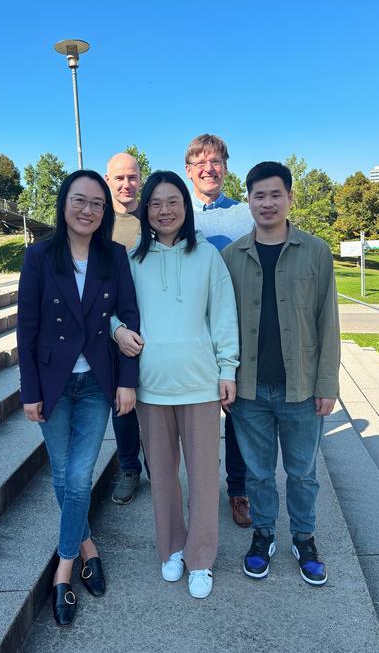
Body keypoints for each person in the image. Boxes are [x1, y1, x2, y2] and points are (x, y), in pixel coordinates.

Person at [17, 169, 139, 626]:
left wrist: (127, 381)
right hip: (52, 384)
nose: (88, 210)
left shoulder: (115, 256)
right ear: (64, 204)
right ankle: (87, 545)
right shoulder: (39, 257)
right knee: (66, 475)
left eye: (96, 203)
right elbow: (26, 328)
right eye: (79, 200)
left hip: (95, 385)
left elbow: (128, 316)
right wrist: (30, 390)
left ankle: (63, 570)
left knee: (79, 475)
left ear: (105, 211)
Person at [115, 170, 239, 599]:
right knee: (163, 476)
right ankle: (171, 549)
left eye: (173, 202)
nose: (164, 210)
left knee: (205, 477)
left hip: (200, 384)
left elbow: (223, 317)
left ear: (185, 208)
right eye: (156, 203)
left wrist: (228, 370)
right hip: (151, 386)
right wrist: (116, 330)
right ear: (145, 210)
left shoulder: (208, 257)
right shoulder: (133, 260)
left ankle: (200, 558)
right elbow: (112, 310)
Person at [221, 161, 340, 586]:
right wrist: (226, 377)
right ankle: (264, 533)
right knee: (257, 472)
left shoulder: (316, 251)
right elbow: (222, 324)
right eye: (258, 195)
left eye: (275, 194)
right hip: (249, 389)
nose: (267, 202)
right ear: (248, 200)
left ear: (290, 197)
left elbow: (328, 322)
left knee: (303, 472)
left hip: (302, 388)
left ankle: (304, 538)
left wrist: (328, 384)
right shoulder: (231, 256)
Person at [185, 133, 255, 529]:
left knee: (238, 417)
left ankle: (238, 490)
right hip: (192, 333)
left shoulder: (246, 214)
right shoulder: (176, 212)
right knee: (199, 422)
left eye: (216, 162)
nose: (208, 169)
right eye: (200, 163)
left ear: (226, 167)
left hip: (237, 330)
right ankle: (200, 491)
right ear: (189, 171)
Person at [104, 152, 146, 504]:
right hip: (116, 329)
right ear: (108, 181)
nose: (126, 184)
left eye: (131, 177)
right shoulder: (98, 223)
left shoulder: (155, 216)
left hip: (158, 324)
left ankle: (162, 465)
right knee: (123, 402)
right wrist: (113, 326)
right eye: (118, 178)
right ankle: (130, 467)